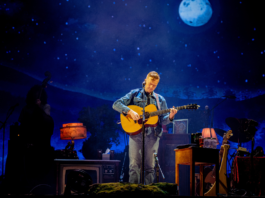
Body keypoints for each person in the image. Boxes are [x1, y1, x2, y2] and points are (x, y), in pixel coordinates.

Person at [112, 71, 178, 184]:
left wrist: (171, 116)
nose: (151, 87)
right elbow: (116, 104)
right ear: (145, 80)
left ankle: (149, 192)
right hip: (135, 134)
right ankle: (134, 192)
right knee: (134, 165)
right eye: (150, 84)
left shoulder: (160, 99)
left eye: (155, 85)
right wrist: (129, 111)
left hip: (153, 135)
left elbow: (162, 120)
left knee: (150, 167)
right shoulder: (134, 93)